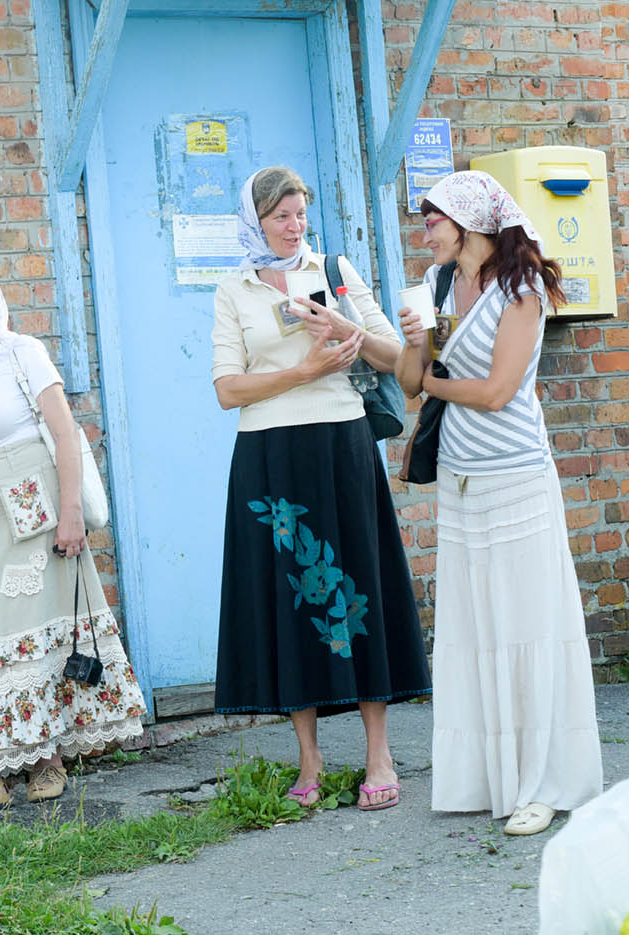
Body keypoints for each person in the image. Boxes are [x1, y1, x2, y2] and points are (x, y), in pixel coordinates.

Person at [210, 166, 432, 810]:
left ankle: (379, 754)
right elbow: (228, 390)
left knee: (359, 588)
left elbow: (396, 357)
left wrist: (343, 332)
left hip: (341, 445)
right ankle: (308, 759)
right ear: (255, 220)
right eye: (281, 216)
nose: (293, 226)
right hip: (269, 455)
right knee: (289, 598)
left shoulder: (334, 270)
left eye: (301, 213)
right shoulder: (234, 290)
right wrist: (303, 369)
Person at [395, 170, 602, 836]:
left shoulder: (522, 288)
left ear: (470, 223)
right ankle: (489, 775)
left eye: (434, 219)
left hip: (515, 480)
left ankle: (539, 782)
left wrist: (431, 377)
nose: (425, 230)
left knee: (525, 630)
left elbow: (496, 392)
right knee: (477, 632)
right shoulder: (436, 286)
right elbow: (408, 388)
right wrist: (412, 340)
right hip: (460, 483)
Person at [0, 261, 147, 821]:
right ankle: (25, 766)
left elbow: (64, 430)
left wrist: (71, 511)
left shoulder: (22, 351)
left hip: (32, 511)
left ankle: (2, 772)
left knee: (32, 635)